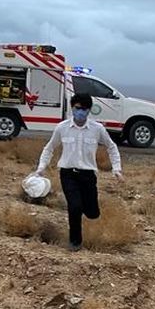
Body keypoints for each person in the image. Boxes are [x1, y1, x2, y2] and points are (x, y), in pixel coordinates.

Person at [34, 92, 123, 251]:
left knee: (92, 213)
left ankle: (84, 207)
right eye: (77, 108)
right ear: (72, 108)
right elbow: (49, 148)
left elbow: (112, 146)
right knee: (74, 207)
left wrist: (116, 169)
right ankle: (75, 241)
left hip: (88, 175)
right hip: (68, 174)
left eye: (84, 109)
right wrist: (41, 167)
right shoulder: (62, 128)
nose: (80, 112)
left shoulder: (97, 129)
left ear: (89, 111)